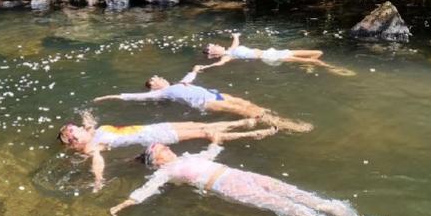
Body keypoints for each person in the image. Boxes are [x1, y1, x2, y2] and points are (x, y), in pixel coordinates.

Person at [109, 139, 390, 216]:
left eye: (165, 146)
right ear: (155, 160)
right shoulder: (164, 172)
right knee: (288, 208)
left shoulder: (186, 157)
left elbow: (211, 152)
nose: (166, 148)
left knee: (301, 195)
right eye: (160, 149)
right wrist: (124, 205)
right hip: (227, 187)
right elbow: (146, 191)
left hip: (241, 175)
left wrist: (217, 140)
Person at [58, 110, 277, 191]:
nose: (78, 128)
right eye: (74, 132)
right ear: (75, 142)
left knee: (196, 125)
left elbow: (87, 121)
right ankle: (250, 133)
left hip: (156, 128)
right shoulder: (91, 147)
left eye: (75, 127)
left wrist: (84, 115)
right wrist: (98, 180)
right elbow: (98, 161)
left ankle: (241, 124)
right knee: (203, 132)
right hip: (156, 136)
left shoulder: (92, 132)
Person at [93, 69, 312, 133]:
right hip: (206, 103)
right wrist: (108, 96)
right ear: (153, 87)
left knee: (245, 103)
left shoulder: (178, 83)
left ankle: (269, 115)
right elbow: (133, 96)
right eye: (155, 79)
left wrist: (195, 69)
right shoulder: (159, 93)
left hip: (213, 93)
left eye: (158, 76)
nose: (159, 77)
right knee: (244, 111)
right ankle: (284, 124)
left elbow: (190, 77)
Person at [199, 32, 351, 74]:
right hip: (270, 57)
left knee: (318, 52)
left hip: (273, 52)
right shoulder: (228, 56)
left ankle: (308, 67)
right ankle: (334, 69)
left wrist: (236, 36)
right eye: (214, 47)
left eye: (215, 44)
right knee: (315, 61)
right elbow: (219, 63)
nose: (217, 45)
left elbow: (235, 43)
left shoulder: (230, 49)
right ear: (213, 54)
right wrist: (204, 67)